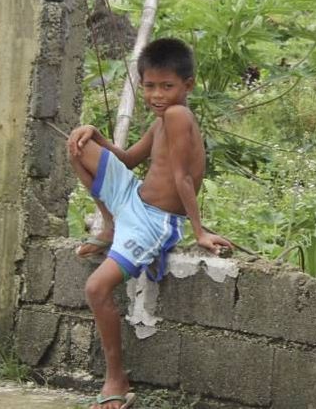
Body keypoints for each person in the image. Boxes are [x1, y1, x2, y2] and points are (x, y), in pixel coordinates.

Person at [66, 37, 231, 409]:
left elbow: (182, 179)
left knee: (96, 288)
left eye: (167, 86)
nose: (157, 95)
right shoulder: (162, 120)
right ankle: (109, 227)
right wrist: (95, 134)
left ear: (188, 85)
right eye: (150, 86)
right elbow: (125, 159)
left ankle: (116, 379)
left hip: (153, 222)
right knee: (78, 146)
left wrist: (199, 231)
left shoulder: (178, 116)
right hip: (132, 201)